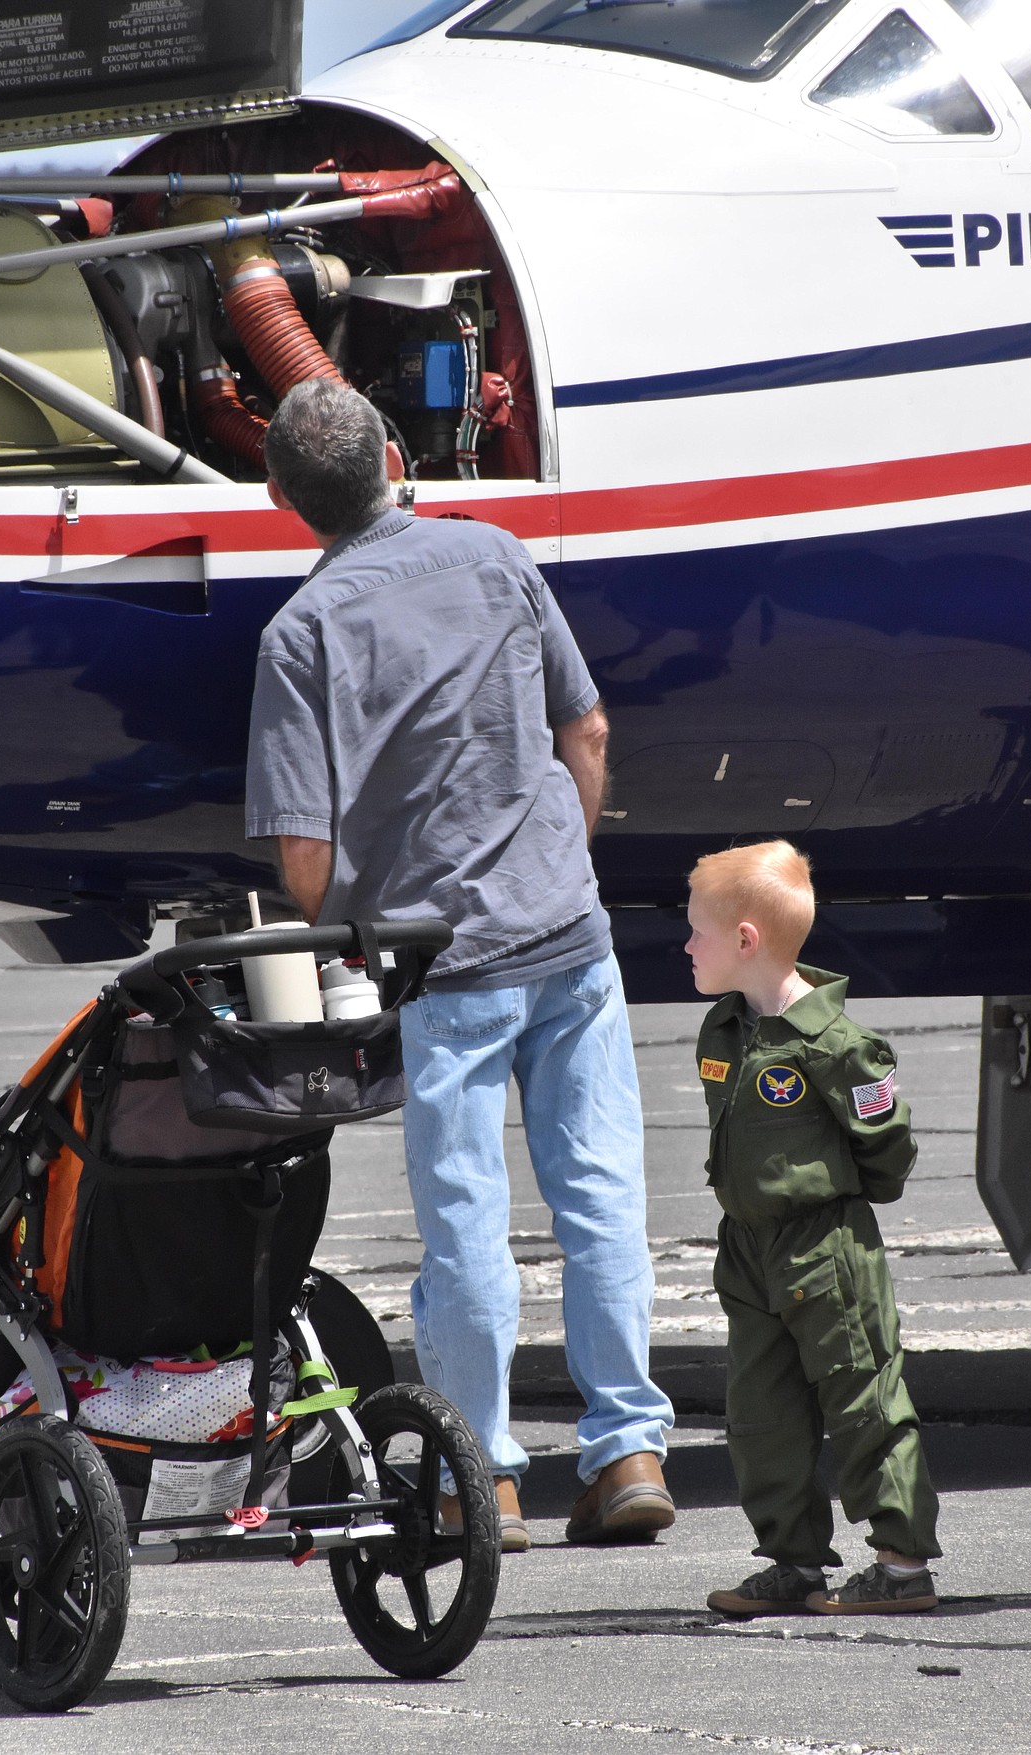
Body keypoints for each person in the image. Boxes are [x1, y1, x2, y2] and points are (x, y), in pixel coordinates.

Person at [244, 379, 674, 1552]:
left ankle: (478, 1476)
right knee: (600, 1200)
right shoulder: (495, 554)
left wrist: (367, 920)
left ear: (284, 499)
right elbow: (582, 731)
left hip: (444, 963)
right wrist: (550, 854)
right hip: (567, 935)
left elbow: (303, 860)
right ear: (394, 455)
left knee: (467, 1225)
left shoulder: (302, 634)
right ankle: (627, 1449)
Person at [685, 840, 941, 1616]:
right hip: (752, 1250)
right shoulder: (724, 1031)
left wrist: (836, 1206)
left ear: (745, 941)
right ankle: (793, 1561)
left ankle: (901, 1565)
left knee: (864, 1400)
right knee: (761, 1415)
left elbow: (886, 1148)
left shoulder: (837, 1046)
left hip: (824, 1247)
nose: (685, 944)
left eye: (696, 930)